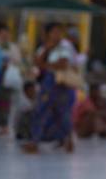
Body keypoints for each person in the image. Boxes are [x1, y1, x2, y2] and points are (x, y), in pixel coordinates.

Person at [22, 23, 77, 154]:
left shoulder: (65, 46)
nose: (56, 34)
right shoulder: (45, 47)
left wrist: (46, 65)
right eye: (54, 32)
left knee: (63, 114)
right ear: (48, 34)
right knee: (40, 110)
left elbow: (63, 64)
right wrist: (48, 52)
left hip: (62, 83)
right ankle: (35, 141)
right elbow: (37, 62)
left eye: (59, 31)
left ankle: (68, 140)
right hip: (48, 82)